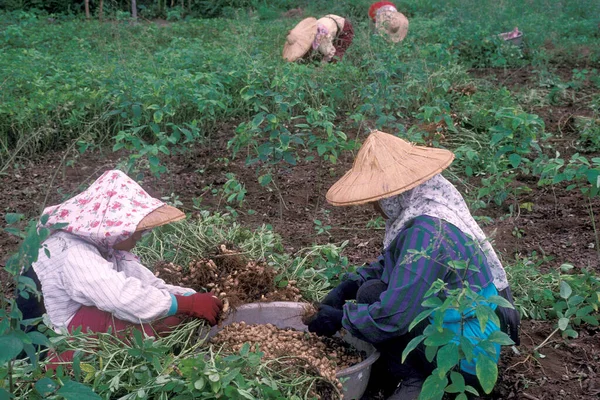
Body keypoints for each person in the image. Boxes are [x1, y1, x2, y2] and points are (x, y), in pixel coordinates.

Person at [306, 131, 520, 399]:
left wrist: (341, 319)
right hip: (451, 322)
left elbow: (394, 316)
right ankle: (404, 368)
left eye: (375, 200)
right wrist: (349, 285)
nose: (374, 207)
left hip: (465, 351)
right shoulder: (424, 210)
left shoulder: (428, 232)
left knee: (382, 307)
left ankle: (421, 379)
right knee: (369, 291)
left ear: (391, 195)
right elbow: (398, 264)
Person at [27, 170, 223, 365]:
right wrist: (185, 305)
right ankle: (62, 367)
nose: (139, 235)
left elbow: (145, 283)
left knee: (166, 312)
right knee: (142, 326)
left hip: (76, 321)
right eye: (135, 229)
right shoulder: (75, 253)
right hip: (48, 343)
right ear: (115, 228)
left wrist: (190, 297)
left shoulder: (104, 246)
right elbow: (120, 296)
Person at [283, 14, 354, 63]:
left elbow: (330, 53)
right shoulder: (307, 32)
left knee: (335, 57)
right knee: (313, 53)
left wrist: (321, 68)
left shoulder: (320, 37)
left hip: (344, 28)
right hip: (330, 22)